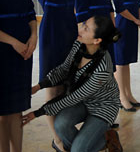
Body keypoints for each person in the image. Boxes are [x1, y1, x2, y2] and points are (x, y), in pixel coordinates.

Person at [29, 0, 97, 148]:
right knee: (53, 86)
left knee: (69, 83)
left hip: (70, 31)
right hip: (52, 33)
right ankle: (57, 138)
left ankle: (64, 129)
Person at [22, 16, 121, 152]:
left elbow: (74, 97)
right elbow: (63, 70)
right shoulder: (79, 45)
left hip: (104, 107)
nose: (81, 28)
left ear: (97, 40)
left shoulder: (103, 67)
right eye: (84, 24)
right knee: (61, 124)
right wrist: (38, 87)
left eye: (86, 29)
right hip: (85, 102)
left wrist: (37, 113)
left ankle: (106, 138)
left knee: (77, 149)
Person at [0, 0, 37, 152]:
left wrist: (33, 37)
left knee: (16, 109)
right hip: (4, 51)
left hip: (23, 52)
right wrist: (14, 42)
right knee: (1, 113)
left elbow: (30, 14)